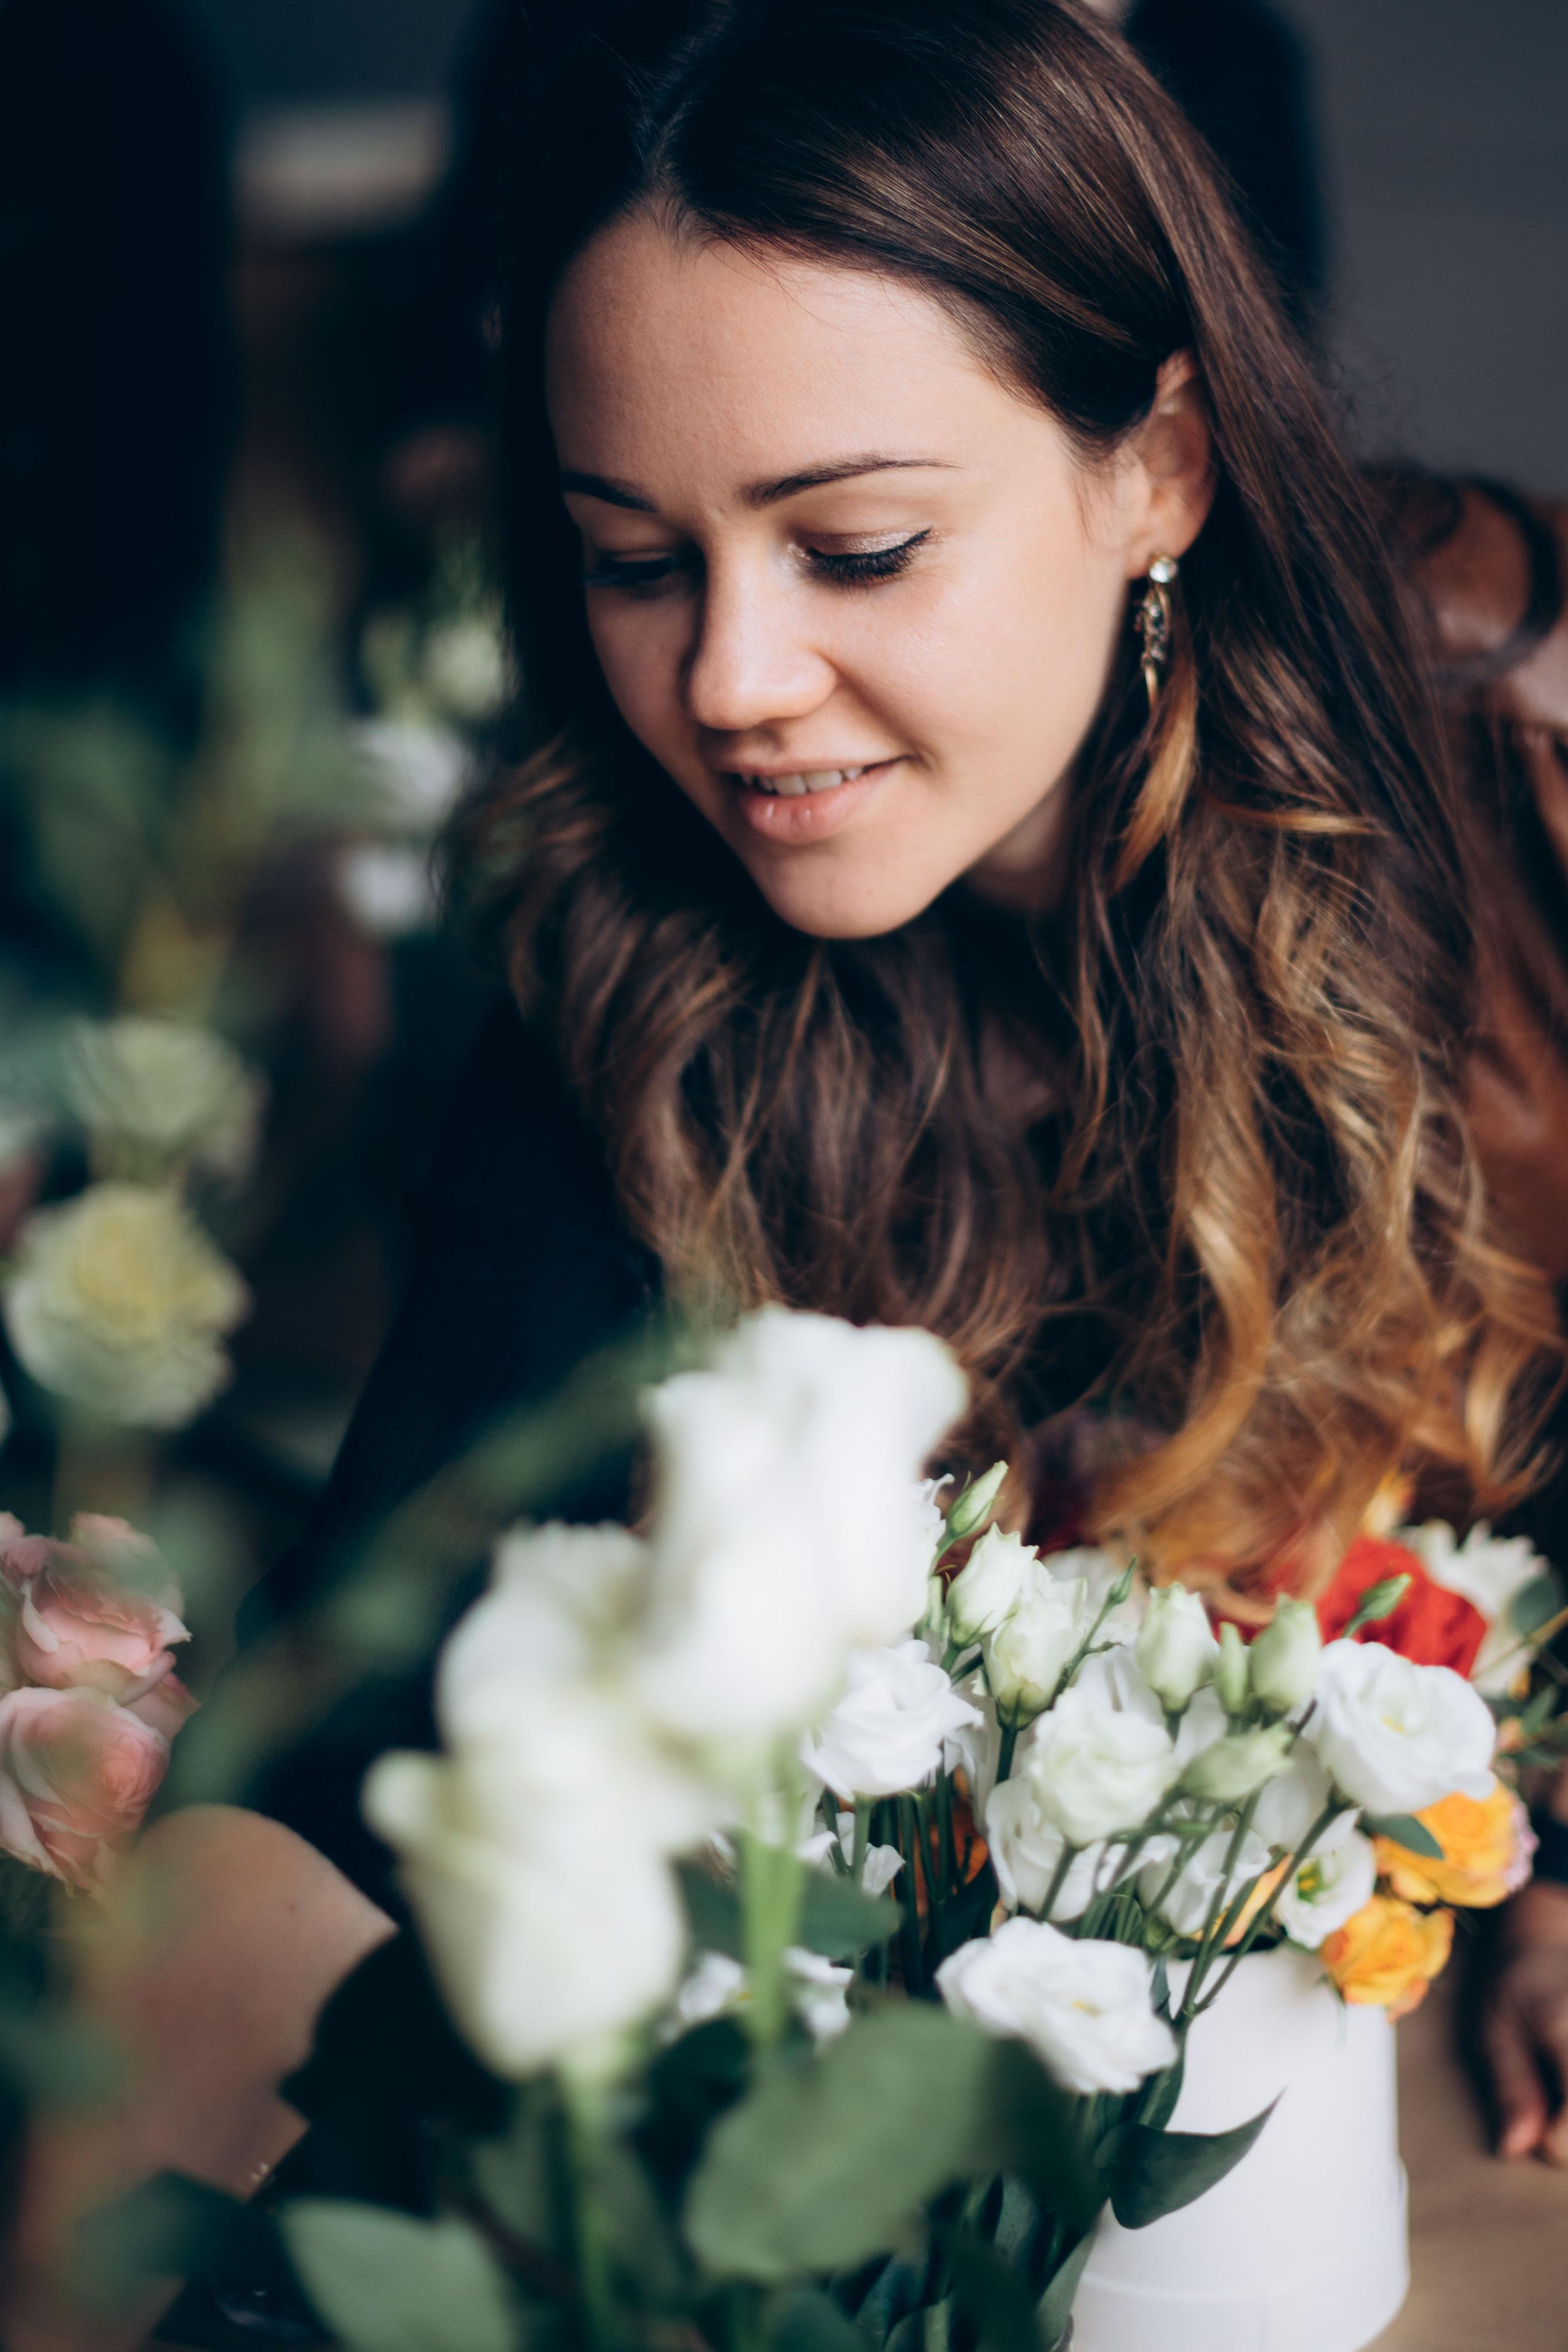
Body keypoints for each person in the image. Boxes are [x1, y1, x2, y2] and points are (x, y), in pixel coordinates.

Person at [5, 5, 1565, 2343]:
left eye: (858, 545)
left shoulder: (1525, 777)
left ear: (1164, 464)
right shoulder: (632, 944)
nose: (730, 681)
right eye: (636, 559)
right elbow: (397, 1691)